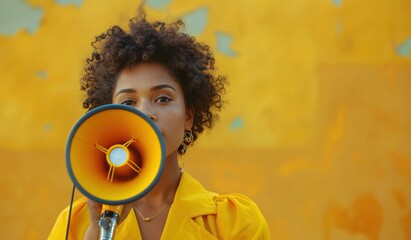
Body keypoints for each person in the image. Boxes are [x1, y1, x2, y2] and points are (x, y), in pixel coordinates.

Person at [48, 6, 270, 240]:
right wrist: (97, 230)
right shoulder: (74, 223)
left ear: (188, 117)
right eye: (128, 102)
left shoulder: (235, 222)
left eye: (163, 98)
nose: (145, 113)